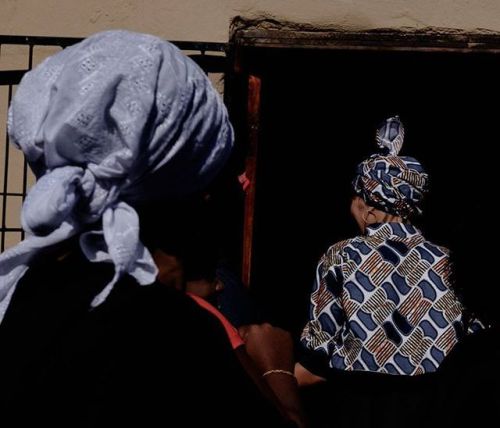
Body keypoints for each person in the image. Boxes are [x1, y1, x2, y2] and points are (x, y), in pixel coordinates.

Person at [0, 30, 295, 428]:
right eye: (221, 169)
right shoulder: (175, 339)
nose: (237, 186)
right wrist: (277, 376)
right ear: (196, 190)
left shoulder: (20, 295)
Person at [291, 116, 493, 427]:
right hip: (437, 409)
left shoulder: (341, 255)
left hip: (358, 408)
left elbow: (318, 353)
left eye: (355, 201)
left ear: (369, 207)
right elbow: (477, 341)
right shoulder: (449, 259)